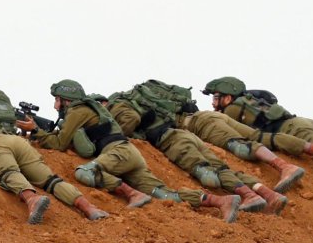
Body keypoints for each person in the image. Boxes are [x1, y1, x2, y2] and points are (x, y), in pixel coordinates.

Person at [16, 78, 241, 222]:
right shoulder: (88, 110)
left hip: (118, 152)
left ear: (66, 100)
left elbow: (59, 143)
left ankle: (132, 193)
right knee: (165, 194)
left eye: (57, 100)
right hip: (129, 153)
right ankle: (219, 201)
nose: (55, 105)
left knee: (83, 172)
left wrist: (35, 130)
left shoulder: (78, 110)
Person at [0, 69, 109, 224]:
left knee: (8, 172)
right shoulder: (3, 101)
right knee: (51, 180)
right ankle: (89, 208)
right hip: (20, 142)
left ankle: (32, 199)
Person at [104, 82, 289, 214]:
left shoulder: (119, 106)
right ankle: (268, 194)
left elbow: (130, 121)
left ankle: (250, 196)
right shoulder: (148, 102)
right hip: (185, 134)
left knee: (208, 174)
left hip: (172, 140)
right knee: (223, 169)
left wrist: (126, 134)